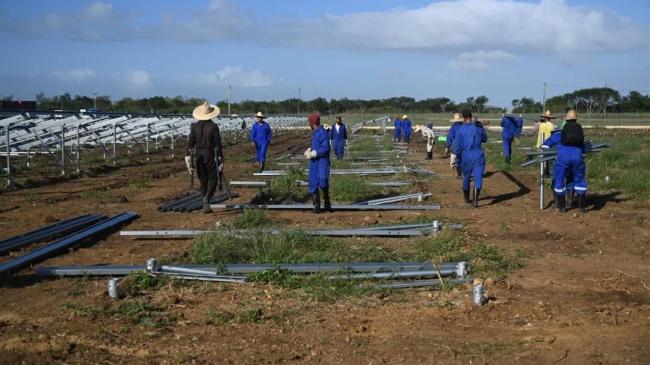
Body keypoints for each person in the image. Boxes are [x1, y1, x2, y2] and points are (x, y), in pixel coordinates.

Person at [541, 110, 587, 213]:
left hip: (563, 159)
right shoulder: (579, 132)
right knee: (578, 180)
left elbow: (545, 145)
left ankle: (561, 207)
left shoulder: (559, 134)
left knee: (559, 180)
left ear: (565, 121)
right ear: (576, 120)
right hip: (577, 158)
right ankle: (580, 207)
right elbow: (583, 150)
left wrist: (547, 150)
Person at [185, 101, 224, 214]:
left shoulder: (194, 126)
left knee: (203, 180)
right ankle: (207, 198)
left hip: (198, 156)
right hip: (210, 155)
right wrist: (221, 156)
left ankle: (205, 201)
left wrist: (188, 156)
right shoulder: (213, 126)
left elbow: (190, 143)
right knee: (213, 178)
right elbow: (218, 143)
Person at [453, 110, 487, 207]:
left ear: (463, 118)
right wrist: (482, 128)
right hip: (478, 154)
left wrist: (457, 158)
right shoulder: (478, 128)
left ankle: (467, 199)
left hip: (466, 155)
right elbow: (485, 139)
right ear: (471, 117)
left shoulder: (460, 130)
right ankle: (475, 201)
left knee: (466, 177)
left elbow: (458, 146)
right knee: (478, 177)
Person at [304, 113, 331, 213]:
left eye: (309, 122)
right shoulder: (315, 132)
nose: (309, 124)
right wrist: (310, 150)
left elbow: (326, 148)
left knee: (323, 181)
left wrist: (315, 153)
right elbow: (316, 146)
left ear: (312, 123)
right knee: (312, 182)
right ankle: (317, 206)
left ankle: (326, 199)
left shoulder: (322, 133)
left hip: (322, 161)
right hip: (314, 162)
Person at [445, 113, 464, 178]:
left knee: (458, 160)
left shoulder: (454, 127)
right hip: (466, 146)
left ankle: (459, 175)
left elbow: (450, 137)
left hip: (457, 146)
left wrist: (447, 146)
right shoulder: (465, 126)